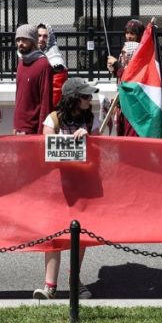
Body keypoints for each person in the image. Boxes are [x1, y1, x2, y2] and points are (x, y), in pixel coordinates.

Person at [34, 77, 98, 300]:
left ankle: (74, 281)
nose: (90, 100)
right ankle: (49, 285)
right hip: (56, 187)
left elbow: (100, 150)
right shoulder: (53, 120)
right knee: (54, 236)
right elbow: (45, 153)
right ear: (73, 98)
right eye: (85, 96)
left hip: (82, 186)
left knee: (80, 236)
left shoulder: (90, 120)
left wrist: (89, 139)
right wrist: (72, 141)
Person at [13, 24, 53, 135]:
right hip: (18, 128)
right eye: (18, 40)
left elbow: (46, 102)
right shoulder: (21, 62)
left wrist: (41, 132)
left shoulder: (43, 65)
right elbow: (19, 97)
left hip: (33, 130)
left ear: (33, 41)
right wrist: (16, 125)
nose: (20, 43)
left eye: (25, 39)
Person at [37, 23, 68, 109]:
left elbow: (56, 93)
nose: (41, 39)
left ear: (49, 38)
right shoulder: (31, 54)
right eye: (39, 35)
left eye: (45, 36)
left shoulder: (56, 60)